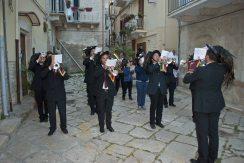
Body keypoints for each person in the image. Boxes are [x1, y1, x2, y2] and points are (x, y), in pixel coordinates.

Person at [183, 45, 235, 163]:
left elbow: (186, 80)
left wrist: (190, 69)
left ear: (207, 57)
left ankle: (202, 159)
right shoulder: (222, 68)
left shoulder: (201, 70)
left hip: (202, 105)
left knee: (202, 134)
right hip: (216, 104)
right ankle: (212, 159)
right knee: (213, 133)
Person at [41, 54, 69, 136]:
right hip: (50, 95)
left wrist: (60, 69)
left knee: (63, 113)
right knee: (51, 113)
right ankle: (52, 128)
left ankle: (63, 127)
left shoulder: (61, 68)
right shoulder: (46, 68)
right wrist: (50, 67)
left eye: (55, 60)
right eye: (53, 60)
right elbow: (42, 75)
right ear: (50, 61)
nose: (54, 62)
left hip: (60, 95)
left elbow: (67, 77)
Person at [94, 51, 117, 133]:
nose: (105, 59)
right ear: (101, 59)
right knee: (101, 111)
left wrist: (112, 71)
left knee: (109, 110)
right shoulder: (97, 67)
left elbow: (113, 79)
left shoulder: (111, 67)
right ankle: (101, 126)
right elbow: (95, 75)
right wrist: (104, 68)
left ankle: (109, 125)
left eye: (106, 58)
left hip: (109, 92)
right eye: (103, 58)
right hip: (100, 93)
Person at [144, 50, 167, 129]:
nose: (157, 57)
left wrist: (164, 64)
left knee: (160, 106)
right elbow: (151, 70)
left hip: (161, 88)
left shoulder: (162, 64)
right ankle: (152, 122)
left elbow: (166, 73)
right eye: (156, 55)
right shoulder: (150, 65)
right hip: (153, 89)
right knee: (153, 106)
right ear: (152, 57)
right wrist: (159, 63)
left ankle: (158, 121)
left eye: (158, 55)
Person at [29, 52, 48, 122]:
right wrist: (37, 60)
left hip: (46, 87)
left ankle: (46, 116)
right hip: (37, 87)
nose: (42, 58)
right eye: (41, 57)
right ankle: (41, 117)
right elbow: (30, 68)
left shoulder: (46, 65)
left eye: (44, 57)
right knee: (39, 103)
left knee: (46, 102)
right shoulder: (36, 65)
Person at [84, 46, 97, 115]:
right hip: (90, 81)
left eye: (94, 51)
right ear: (90, 52)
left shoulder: (97, 59)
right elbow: (85, 63)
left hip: (97, 80)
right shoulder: (87, 58)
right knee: (91, 96)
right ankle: (92, 109)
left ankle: (97, 107)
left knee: (97, 95)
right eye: (92, 51)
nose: (94, 52)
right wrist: (91, 57)